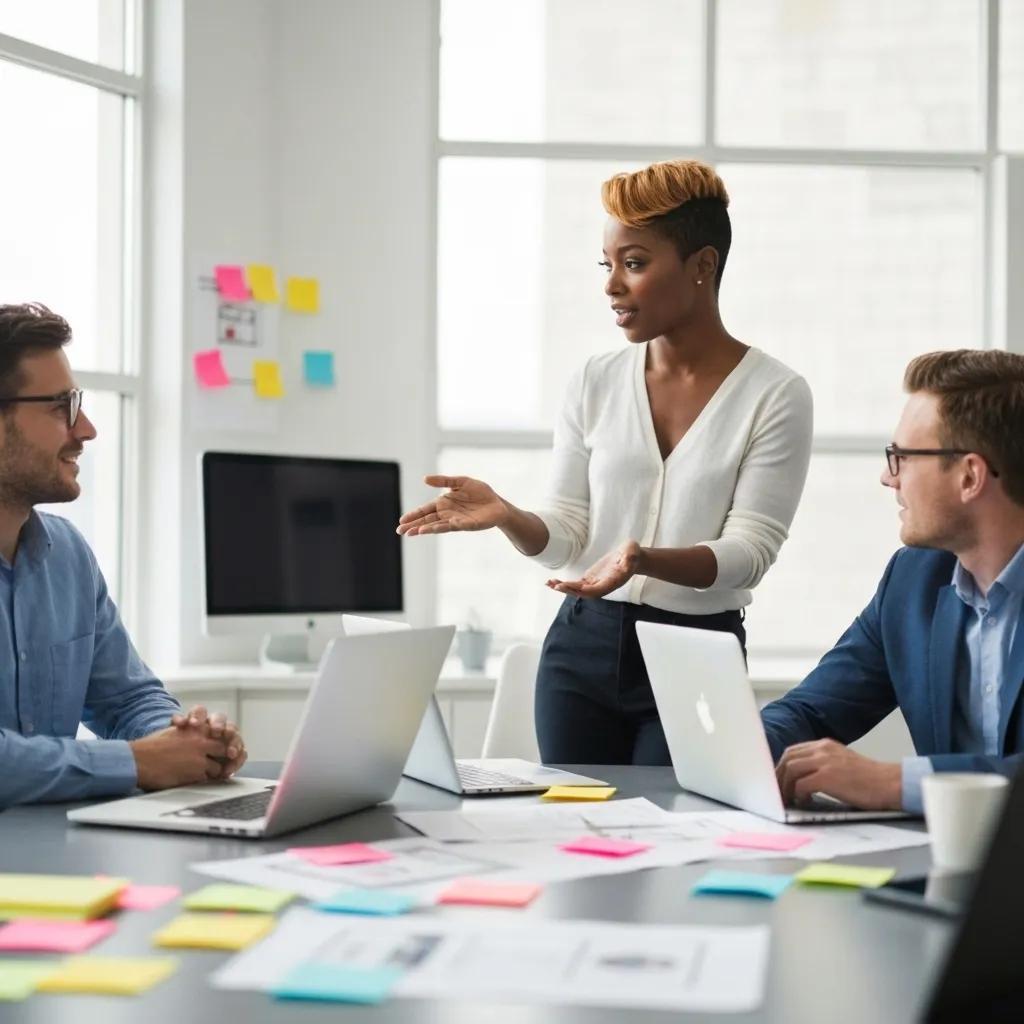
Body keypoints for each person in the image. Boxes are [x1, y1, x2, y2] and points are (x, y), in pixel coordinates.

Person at [398, 160, 813, 765]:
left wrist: (645, 559)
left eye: (635, 263)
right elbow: (569, 538)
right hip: (579, 651)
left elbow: (749, 554)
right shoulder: (594, 381)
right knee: (574, 833)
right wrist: (508, 515)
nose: (612, 284)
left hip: (695, 654)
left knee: (674, 837)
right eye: (608, 264)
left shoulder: (775, 394)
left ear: (702, 266)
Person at [0, 303, 247, 808]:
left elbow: (127, 698)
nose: (86, 429)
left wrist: (185, 742)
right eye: (60, 407)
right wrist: (138, 762)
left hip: (54, 860)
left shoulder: (68, 556)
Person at [764, 349, 1024, 813]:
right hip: (946, 868)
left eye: (902, 457)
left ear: (970, 475)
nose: (888, 477)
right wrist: (746, 755)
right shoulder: (912, 581)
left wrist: (896, 782)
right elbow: (811, 711)